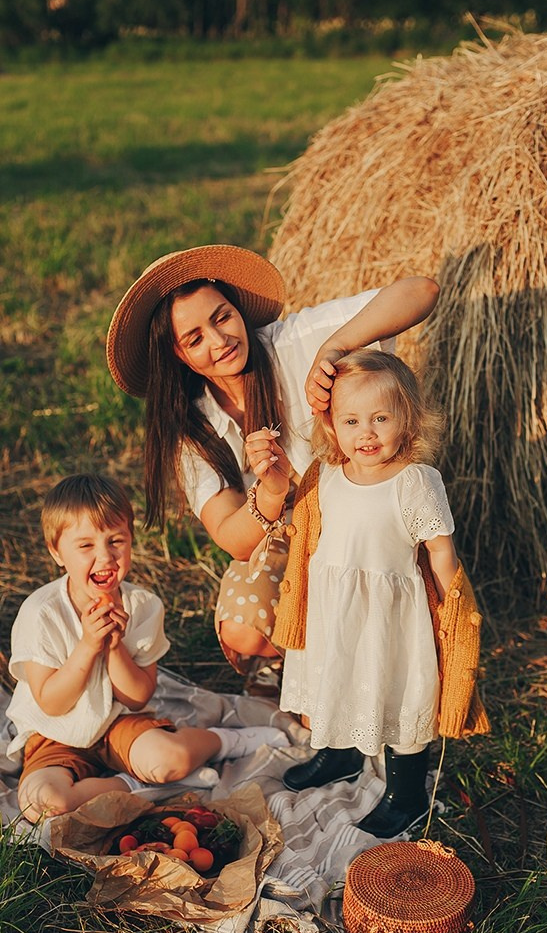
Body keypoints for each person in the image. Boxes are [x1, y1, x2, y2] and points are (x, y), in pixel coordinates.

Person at [106, 244, 440, 693]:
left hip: (366, 519)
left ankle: (352, 664)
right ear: (177, 356)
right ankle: (308, 665)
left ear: (238, 311)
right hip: (290, 537)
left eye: (222, 317)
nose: (219, 341)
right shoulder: (189, 426)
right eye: (195, 339)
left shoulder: (290, 342)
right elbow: (233, 539)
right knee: (244, 625)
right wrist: (270, 491)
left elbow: (421, 290)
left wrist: (336, 346)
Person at [262, 350, 490, 839]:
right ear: (331, 426)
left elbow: (440, 551)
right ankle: (342, 751)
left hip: (390, 616)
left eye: (380, 418)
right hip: (333, 611)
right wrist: (272, 475)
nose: (365, 432)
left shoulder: (414, 482)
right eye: (351, 420)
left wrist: (454, 608)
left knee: (397, 690)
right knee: (338, 676)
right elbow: (301, 530)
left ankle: (405, 793)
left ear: (407, 418)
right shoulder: (324, 476)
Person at [7, 474, 288, 823]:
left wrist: (113, 648)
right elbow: (52, 702)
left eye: (116, 541)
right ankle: (134, 785)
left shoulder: (142, 605)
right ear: (56, 552)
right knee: (43, 803)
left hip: (115, 722)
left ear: (130, 541)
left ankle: (222, 741)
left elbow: (137, 697)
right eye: (85, 546)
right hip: (53, 735)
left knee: (170, 759)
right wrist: (88, 645)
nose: (105, 557)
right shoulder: (42, 612)